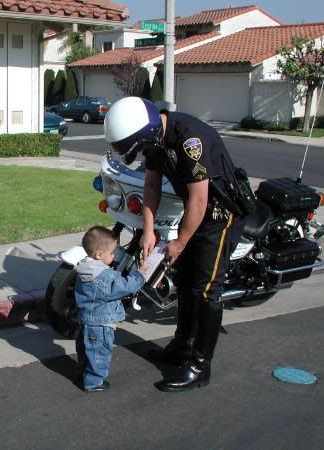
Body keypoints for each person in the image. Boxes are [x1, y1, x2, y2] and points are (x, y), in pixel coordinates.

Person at [104, 97, 245, 392]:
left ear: (147, 134)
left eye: (139, 147)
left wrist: (179, 242)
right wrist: (147, 229)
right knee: (185, 281)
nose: (142, 153)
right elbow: (152, 185)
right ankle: (182, 347)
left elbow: (200, 199)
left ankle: (199, 366)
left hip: (220, 215)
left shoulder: (190, 140)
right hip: (195, 215)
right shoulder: (154, 139)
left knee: (205, 289)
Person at [74, 226, 147, 392]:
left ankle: (83, 373)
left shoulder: (84, 268)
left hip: (86, 319)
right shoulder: (105, 277)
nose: (115, 255)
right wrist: (140, 274)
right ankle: (93, 382)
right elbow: (127, 286)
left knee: (86, 350)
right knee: (100, 353)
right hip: (101, 323)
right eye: (112, 252)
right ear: (99, 255)